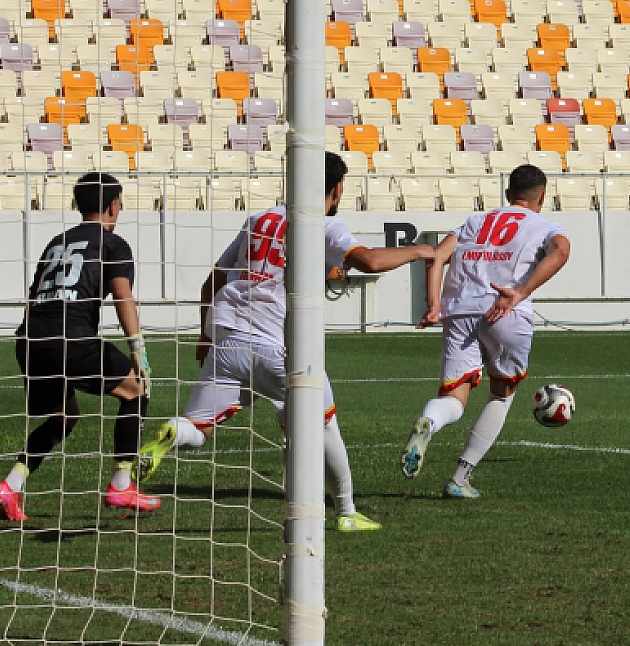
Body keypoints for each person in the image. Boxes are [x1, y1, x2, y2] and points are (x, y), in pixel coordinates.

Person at [137, 152, 434, 532]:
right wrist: (419, 250)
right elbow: (370, 261)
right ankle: (346, 512)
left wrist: (205, 335)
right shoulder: (322, 223)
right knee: (324, 425)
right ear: (338, 188)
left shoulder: (259, 220)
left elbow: (212, 281)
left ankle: (175, 432)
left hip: (226, 338)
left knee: (200, 428)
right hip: (275, 346)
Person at [0, 173, 157, 523]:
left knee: (63, 417)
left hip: (31, 338)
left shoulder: (57, 242)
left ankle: (10, 485)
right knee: (137, 389)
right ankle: (121, 484)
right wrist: (137, 350)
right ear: (114, 204)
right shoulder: (113, 243)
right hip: (71, 336)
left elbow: (33, 298)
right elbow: (123, 296)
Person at [400, 164, 571, 499]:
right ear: (543, 197)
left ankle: (430, 422)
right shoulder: (544, 225)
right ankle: (459, 479)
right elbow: (561, 252)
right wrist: (519, 292)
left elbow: (436, 256)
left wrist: (433, 303)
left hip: (460, 311)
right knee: (501, 394)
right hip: (505, 310)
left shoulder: (475, 222)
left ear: (508, 194)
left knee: (454, 397)